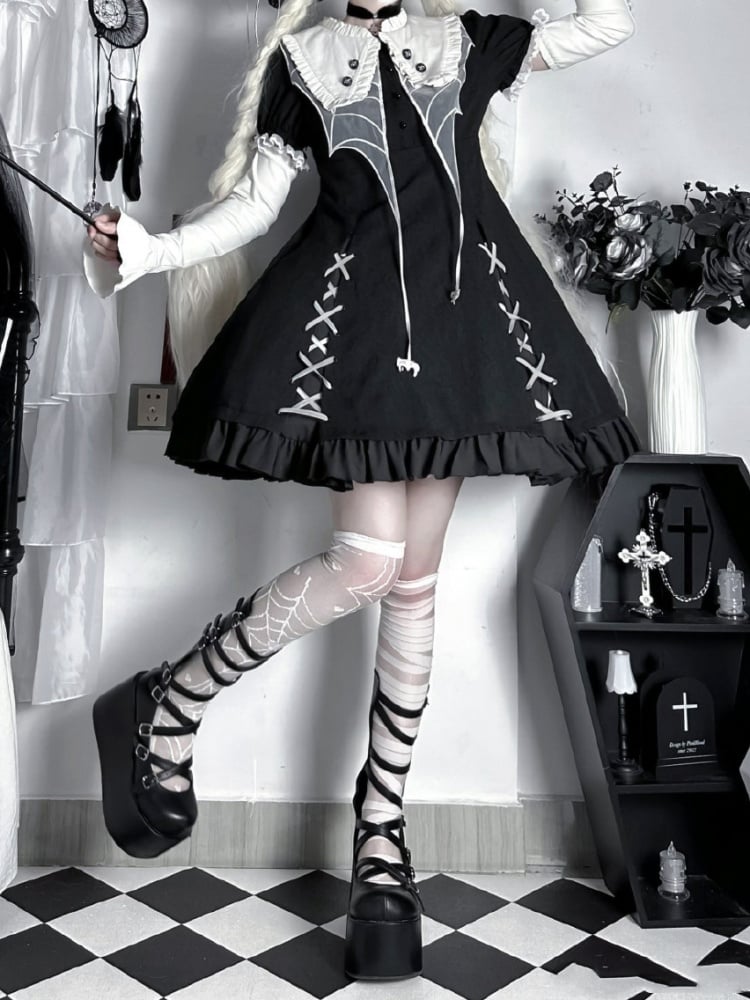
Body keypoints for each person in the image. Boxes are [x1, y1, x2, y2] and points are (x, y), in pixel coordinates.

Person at [86, 0, 638, 981]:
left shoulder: (470, 41)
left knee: (414, 586)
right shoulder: (306, 59)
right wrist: (149, 251)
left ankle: (380, 832)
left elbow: (609, 24)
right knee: (370, 564)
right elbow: (254, 208)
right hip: (357, 342)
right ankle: (172, 697)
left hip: (467, 339)